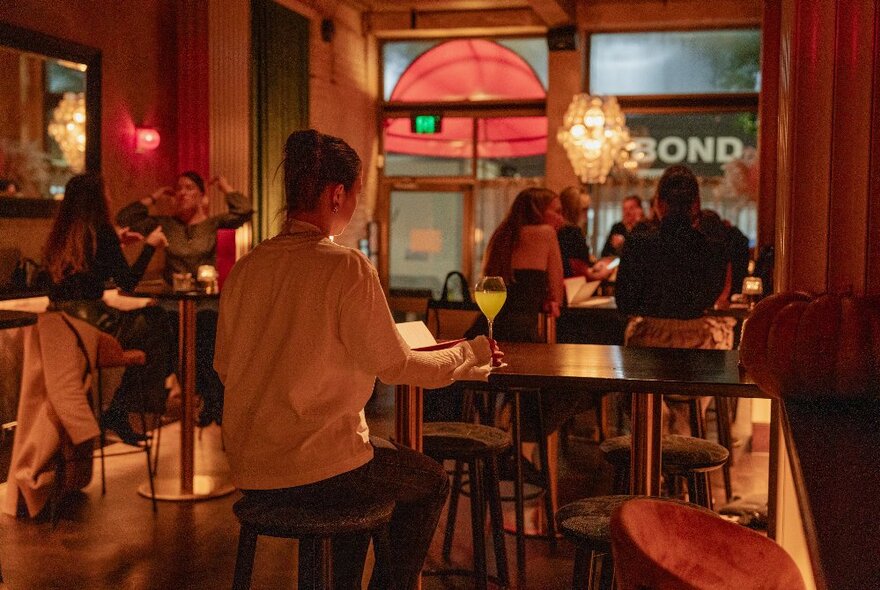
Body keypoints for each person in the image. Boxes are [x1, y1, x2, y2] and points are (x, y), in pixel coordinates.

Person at [214, 129, 496, 589]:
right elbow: (397, 366)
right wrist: (470, 351)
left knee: (362, 473)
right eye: (356, 195)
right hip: (316, 468)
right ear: (337, 193)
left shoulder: (247, 268)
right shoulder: (345, 267)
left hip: (251, 468)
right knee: (428, 481)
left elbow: (226, 367)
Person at [43, 173, 171, 445]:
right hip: (91, 325)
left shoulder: (61, 234)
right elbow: (128, 283)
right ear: (97, 200)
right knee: (158, 322)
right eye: (107, 193)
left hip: (59, 325)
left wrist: (118, 243)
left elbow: (84, 268)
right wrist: (150, 247)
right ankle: (120, 409)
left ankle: (115, 410)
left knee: (147, 326)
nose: (110, 198)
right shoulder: (102, 231)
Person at [117, 172, 253, 426]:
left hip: (206, 300)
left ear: (202, 196)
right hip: (172, 302)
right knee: (166, 330)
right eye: (178, 188)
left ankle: (209, 398)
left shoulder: (213, 224)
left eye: (189, 188)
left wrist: (224, 186)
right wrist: (155, 195)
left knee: (208, 326)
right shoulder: (165, 225)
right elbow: (125, 218)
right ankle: (201, 399)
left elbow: (244, 210)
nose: (182, 193)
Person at [615, 165, 730, 435]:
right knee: (694, 388)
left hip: (648, 347)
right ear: (696, 205)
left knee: (636, 383)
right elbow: (712, 297)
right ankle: (680, 430)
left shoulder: (637, 243)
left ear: (659, 204)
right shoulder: (712, 247)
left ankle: (653, 431)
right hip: (695, 350)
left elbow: (624, 303)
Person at [558, 186, 615, 282]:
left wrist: (594, 265)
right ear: (572, 210)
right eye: (584, 209)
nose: (587, 214)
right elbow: (573, 270)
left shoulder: (568, 231)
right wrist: (599, 273)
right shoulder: (571, 233)